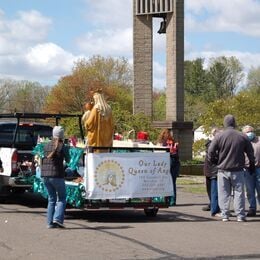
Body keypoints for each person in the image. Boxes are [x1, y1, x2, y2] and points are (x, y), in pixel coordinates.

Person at [207, 115, 255, 222]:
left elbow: (210, 151)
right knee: (239, 193)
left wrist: (213, 161)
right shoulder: (242, 136)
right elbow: (250, 153)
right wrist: (251, 164)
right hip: (238, 169)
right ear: (234, 123)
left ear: (225, 123)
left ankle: (225, 214)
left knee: (224, 193)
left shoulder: (219, 136)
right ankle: (240, 215)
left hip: (223, 169)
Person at [41, 126, 70, 228]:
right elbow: (69, 160)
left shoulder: (46, 146)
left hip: (45, 176)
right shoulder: (63, 146)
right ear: (62, 135)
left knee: (51, 199)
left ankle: (49, 223)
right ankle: (57, 219)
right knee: (62, 198)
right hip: (57, 175)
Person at [157, 129, 180, 205]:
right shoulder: (174, 142)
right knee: (173, 182)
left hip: (167, 161)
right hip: (175, 162)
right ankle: (173, 200)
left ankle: (165, 199)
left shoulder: (162, 143)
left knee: (165, 182)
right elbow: (177, 153)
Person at [242, 125, 260, 217]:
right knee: (250, 190)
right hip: (247, 169)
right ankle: (252, 208)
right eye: (247, 132)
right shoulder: (243, 142)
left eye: (250, 131)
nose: (249, 133)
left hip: (258, 168)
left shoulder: (259, 140)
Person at [204, 128, 221, 217]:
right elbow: (213, 157)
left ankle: (213, 206)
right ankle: (215, 209)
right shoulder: (212, 144)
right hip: (213, 171)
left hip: (209, 170)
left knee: (211, 190)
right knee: (214, 191)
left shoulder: (209, 144)